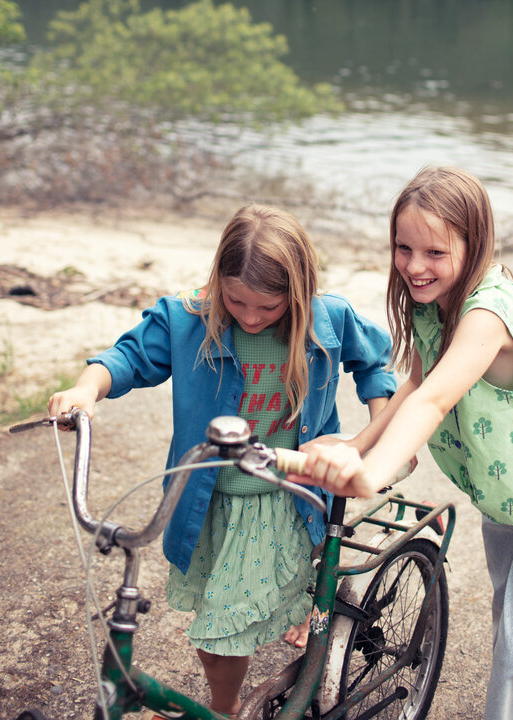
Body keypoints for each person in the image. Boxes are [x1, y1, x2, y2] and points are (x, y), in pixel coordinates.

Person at [48, 203, 395, 718]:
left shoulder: (329, 318)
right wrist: (85, 389)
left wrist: (368, 438)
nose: (251, 317)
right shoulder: (189, 318)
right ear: (218, 281)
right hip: (207, 503)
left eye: (269, 308)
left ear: (298, 293)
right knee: (217, 622)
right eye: (237, 301)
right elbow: (128, 357)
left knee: (220, 635)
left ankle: (225, 710)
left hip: (282, 500)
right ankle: (241, 686)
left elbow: (374, 363)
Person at [298, 166, 513, 720]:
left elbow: (433, 401)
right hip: (506, 492)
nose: (415, 267)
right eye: (403, 248)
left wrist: (374, 471)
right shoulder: (430, 303)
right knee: (511, 621)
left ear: (475, 244)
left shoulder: (488, 313)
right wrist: (361, 443)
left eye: (435, 252)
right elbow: (417, 379)